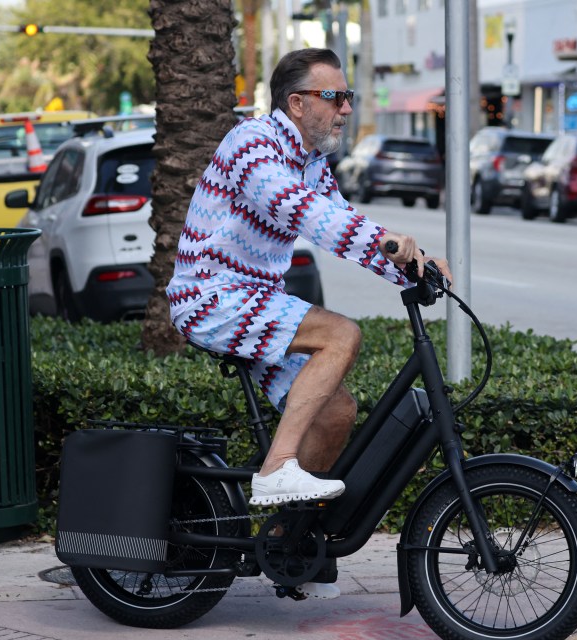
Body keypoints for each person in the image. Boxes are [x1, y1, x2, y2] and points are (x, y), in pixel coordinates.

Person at [166, 48, 452, 596]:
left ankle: (285, 542)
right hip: (211, 296)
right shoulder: (252, 144)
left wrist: (416, 267)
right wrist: (384, 241)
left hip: (254, 300)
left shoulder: (311, 161)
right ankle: (277, 468)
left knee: (337, 411)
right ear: (296, 104)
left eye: (349, 97)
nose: (346, 108)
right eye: (335, 97)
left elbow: (341, 220)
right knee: (341, 333)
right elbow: (302, 212)